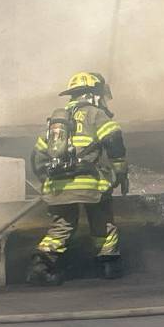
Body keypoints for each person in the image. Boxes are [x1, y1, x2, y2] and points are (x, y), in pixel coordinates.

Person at [27, 71, 129, 286]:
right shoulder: (96, 115)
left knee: (61, 227)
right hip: (91, 184)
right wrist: (120, 171)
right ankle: (109, 265)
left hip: (58, 186)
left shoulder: (57, 122)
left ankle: (41, 267)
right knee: (102, 222)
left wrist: (47, 182)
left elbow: (37, 157)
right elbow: (114, 141)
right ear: (93, 94)